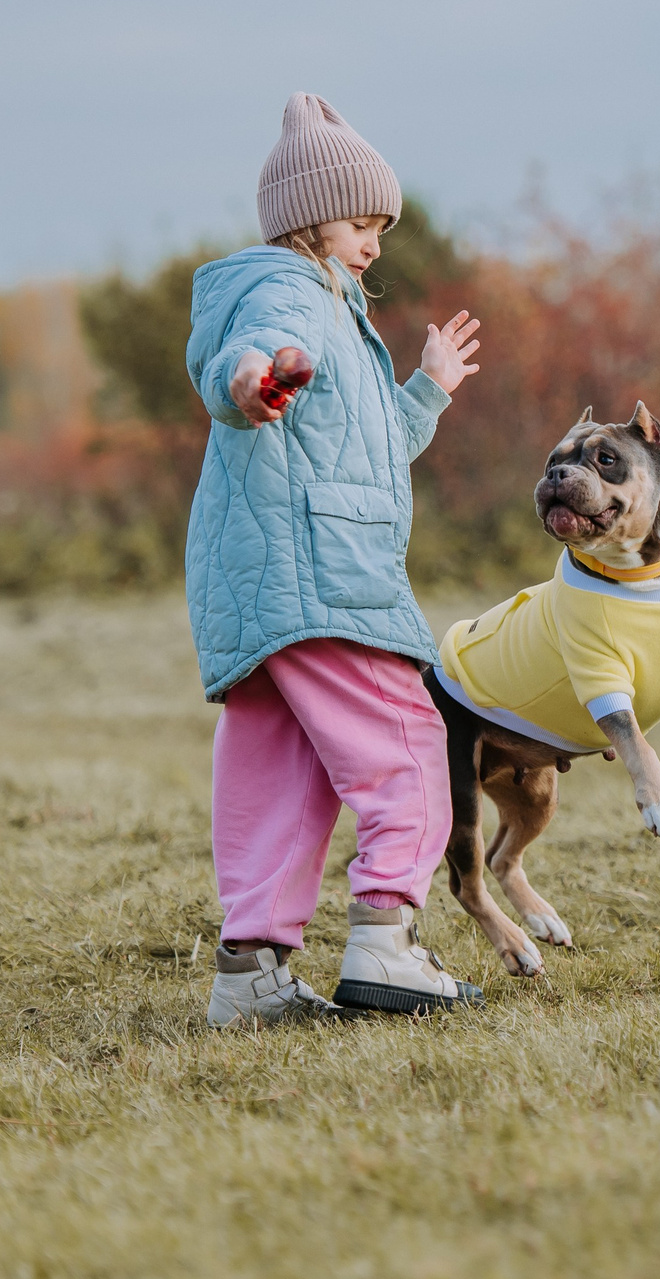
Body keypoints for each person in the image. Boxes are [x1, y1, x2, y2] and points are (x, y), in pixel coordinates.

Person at [184, 92, 488, 1026]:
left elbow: (369, 449)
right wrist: (252, 378)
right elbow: (243, 366)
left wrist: (426, 391)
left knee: (284, 768)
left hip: (274, 583)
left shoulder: (336, 311)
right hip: (324, 574)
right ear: (309, 217)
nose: (374, 245)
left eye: (382, 227)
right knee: (406, 741)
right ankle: (386, 939)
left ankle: (251, 973)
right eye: (361, 223)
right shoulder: (286, 293)